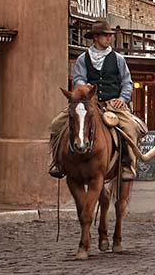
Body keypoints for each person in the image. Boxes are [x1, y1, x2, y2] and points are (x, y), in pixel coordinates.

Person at [50, 19, 144, 178]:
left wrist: (122, 98)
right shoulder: (82, 58)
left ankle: (127, 164)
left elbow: (127, 82)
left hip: (112, 104)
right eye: (105, 35)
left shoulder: (118, 59)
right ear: (95, 37)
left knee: (131, 127)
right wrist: (84, 89)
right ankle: (57, 162)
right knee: (56, 124)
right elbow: (78, 79)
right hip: (87, 103)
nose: (109, 38)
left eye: (110, 35)